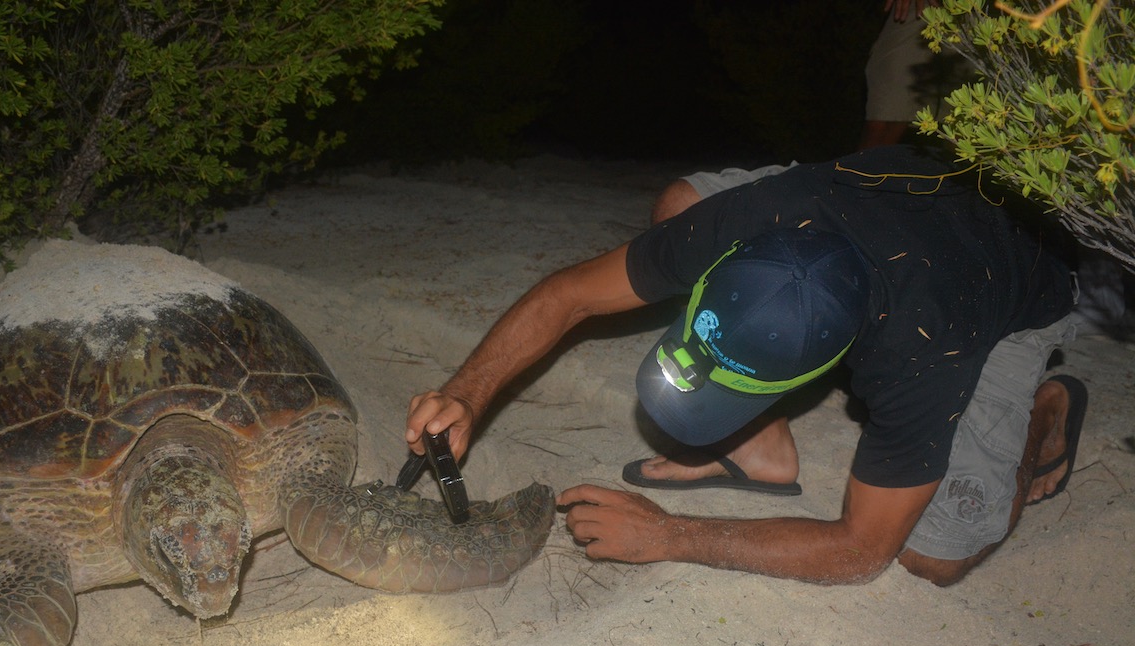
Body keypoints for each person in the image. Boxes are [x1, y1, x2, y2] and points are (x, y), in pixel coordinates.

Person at [405, 144, 1085, 587]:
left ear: (824, 373)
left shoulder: (921, 354)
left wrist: (668, 535)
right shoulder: (750, 223)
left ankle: (1047, 412)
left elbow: (860, 550)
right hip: (883, 196)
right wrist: (467, 392)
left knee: (936, 554)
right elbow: (571, 294)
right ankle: (764, 452)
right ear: (719, 275)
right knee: (679, 203)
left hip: (1006, 290)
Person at [860, 0, 970, 149]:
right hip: (922, 9)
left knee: (968, 121)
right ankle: (866, 170)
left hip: (986, 13)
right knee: (885, 116)